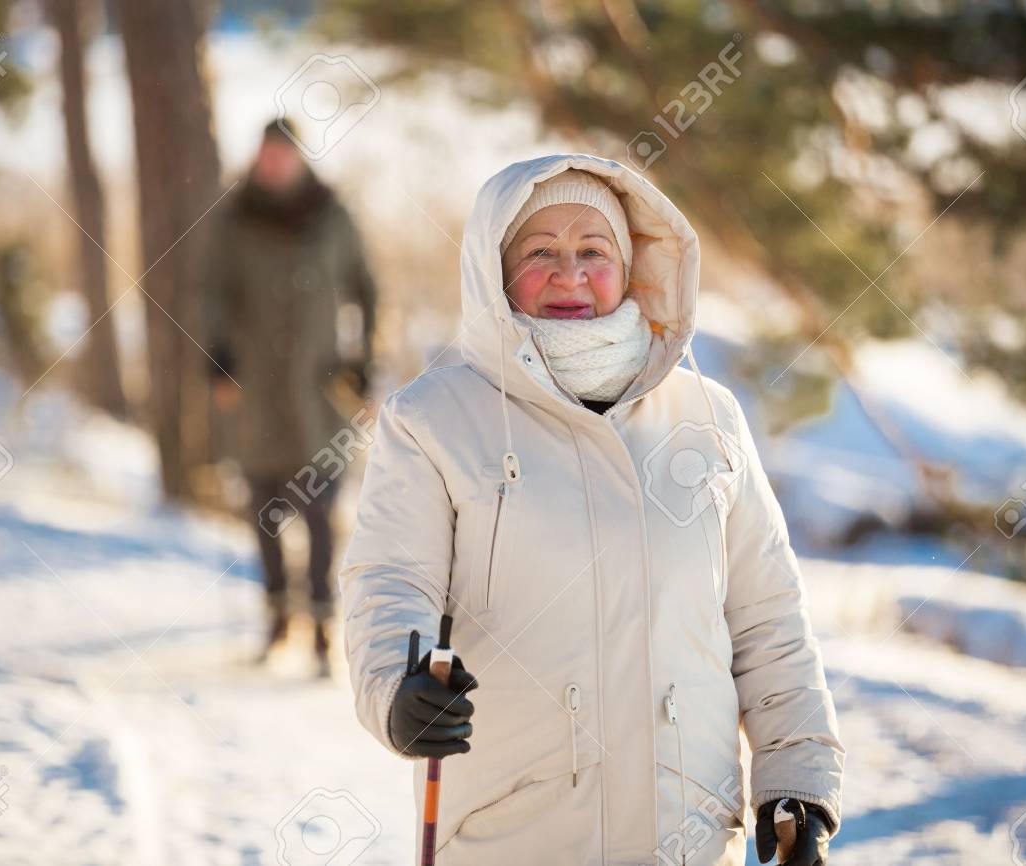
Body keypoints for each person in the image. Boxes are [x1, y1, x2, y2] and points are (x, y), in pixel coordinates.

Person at [339, 155, 844, 865]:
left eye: (593, 251)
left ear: (631, 266)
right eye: (541, 252)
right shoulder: (434, 420)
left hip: (690, 837)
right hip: (513, 835)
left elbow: (768, 618)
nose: (570, 274)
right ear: (495, 268)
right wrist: (398, 686)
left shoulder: (708, 418)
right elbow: (389, 583)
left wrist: (795, 783)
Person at [205, 119, 377, 674]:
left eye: (284, 155)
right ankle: (278, 619)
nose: (275, 164)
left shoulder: (331, 215)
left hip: (318, 393)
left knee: (322, 512)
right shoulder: (235, 219)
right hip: (256, 392)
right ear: (258, 159)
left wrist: (362, 358)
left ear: (299, 159)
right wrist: (218, 361)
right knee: (263, 511)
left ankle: (325, 627)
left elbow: (366, 287)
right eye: (267, 156)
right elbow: (210, 293)